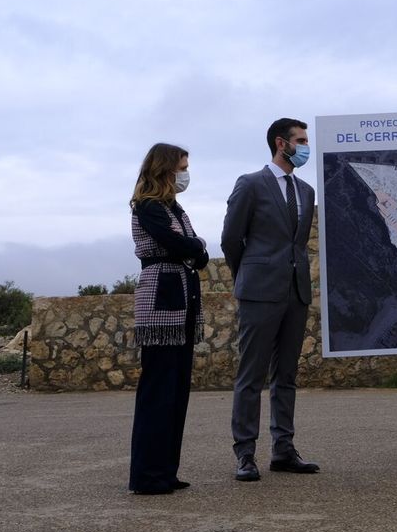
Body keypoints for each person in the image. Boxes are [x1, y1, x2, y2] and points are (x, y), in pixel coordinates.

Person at [221, 117, 319, 481]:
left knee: (287, 375)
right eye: (301, 140)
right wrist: (246, 275)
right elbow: (231, 239)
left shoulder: (306, 191)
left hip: (295, 292)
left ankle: (283, 449)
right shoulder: (250, 184)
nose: (306, 146)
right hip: (259, 292)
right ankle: (245, 454)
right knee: (251, 376)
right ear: (282, 143)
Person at [128, 143, 210, 495]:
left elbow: (194, 249)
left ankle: (166, 469)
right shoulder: (148, 207)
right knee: (158, 390)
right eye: (182, 167)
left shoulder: (173, 208)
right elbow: (186, 246)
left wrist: (194, 247)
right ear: (165, 169)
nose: (185, 174)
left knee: (176, 391)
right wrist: (195, 246)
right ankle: (147, 475)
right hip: (161, 302)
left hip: (183, 297)